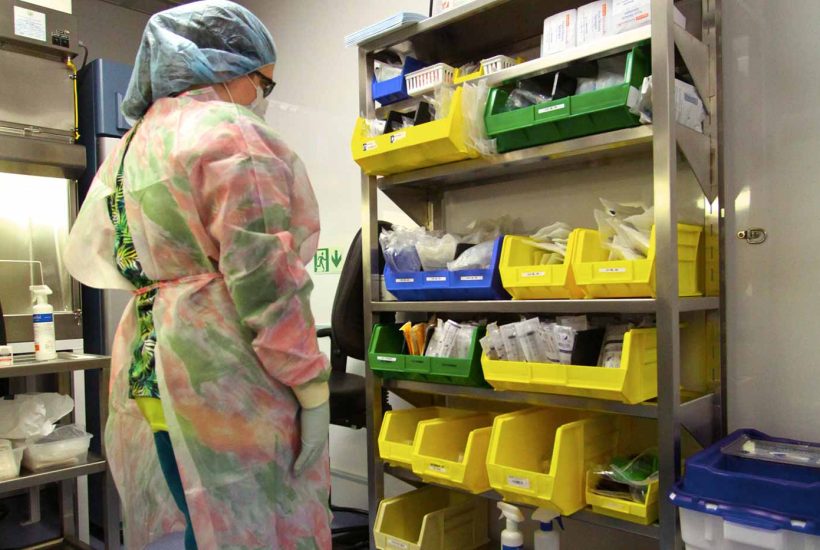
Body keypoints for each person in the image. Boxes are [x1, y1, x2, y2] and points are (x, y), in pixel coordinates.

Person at [64, 2, 331, 548]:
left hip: (151, 363)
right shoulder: (233, 135)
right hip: (222, 373)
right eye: (263, 83)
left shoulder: (135, 143)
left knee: (193, 516)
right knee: (248, 523)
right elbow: (266, 281)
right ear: (226, 67)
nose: (261, 98)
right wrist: (311, 387)